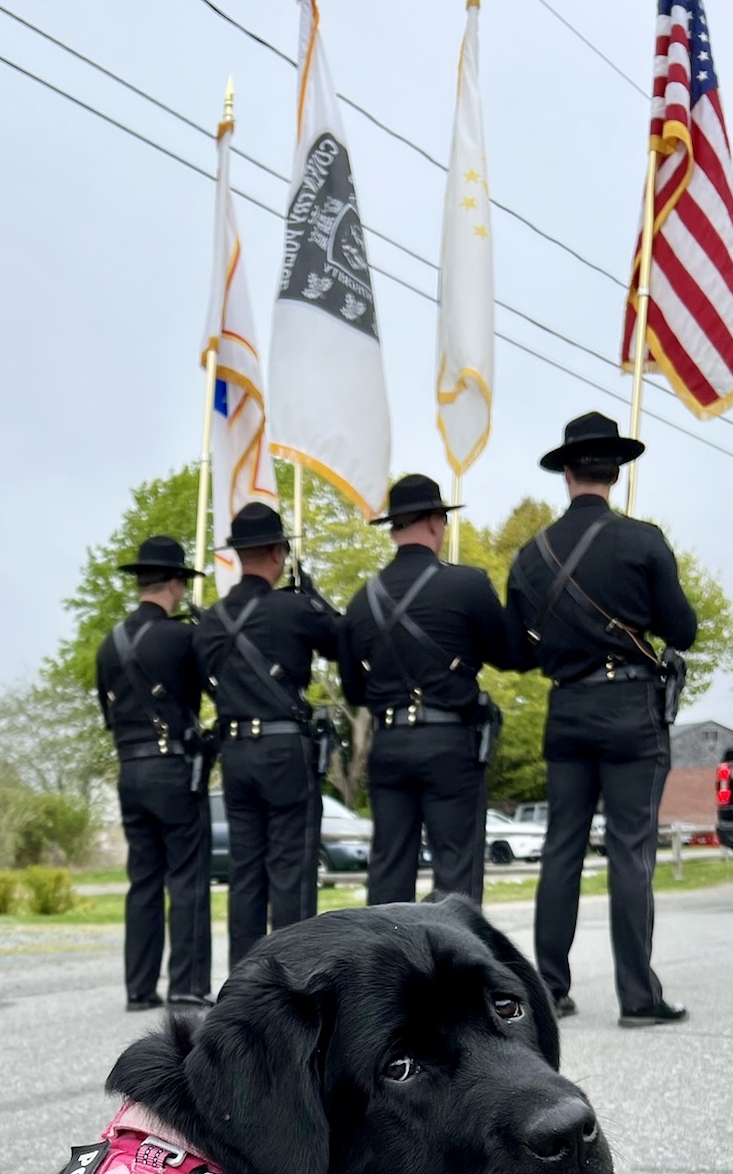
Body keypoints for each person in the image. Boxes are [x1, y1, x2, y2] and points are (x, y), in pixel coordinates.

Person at [506, 412, 699, 1027]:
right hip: (630, 710)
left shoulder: (530, 557)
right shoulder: (643, 540)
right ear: (616, 471)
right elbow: (683, 630)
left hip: (567, 707)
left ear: (566, 472)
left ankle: (548, 991)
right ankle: (638, 998)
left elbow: (519, 650)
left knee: (561, 849)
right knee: (629, 851)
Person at [339, 473, 515, 905]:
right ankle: (453, 972)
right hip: (450, 742)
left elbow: (353, 692)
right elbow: (511, 655)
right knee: (456, 873)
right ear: (436, 523)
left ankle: (382, 971)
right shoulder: (467, 584)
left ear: (395, 530)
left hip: (390, 743)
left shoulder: (362, 599)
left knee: (388, 872)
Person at [194, 502, 342, 969]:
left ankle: (244, 980)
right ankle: (295, 976)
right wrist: (314, 599)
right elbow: (343, 640)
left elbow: (204, 677)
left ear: (238, 554)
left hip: (236, 752)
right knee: (292, 870)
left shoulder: (211, 619)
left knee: (245, 874)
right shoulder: (293, 609)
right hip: (284, 751)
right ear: (278, 552)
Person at [95, 533, 213, 1010]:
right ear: (175, 583)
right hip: (172, 769)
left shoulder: (109, 645)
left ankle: (139, 988)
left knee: (143, 880)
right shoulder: (182, 638)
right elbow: (200, 696)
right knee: (186, 877)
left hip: (129, 770)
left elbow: (107, 716)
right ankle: (186, 984)